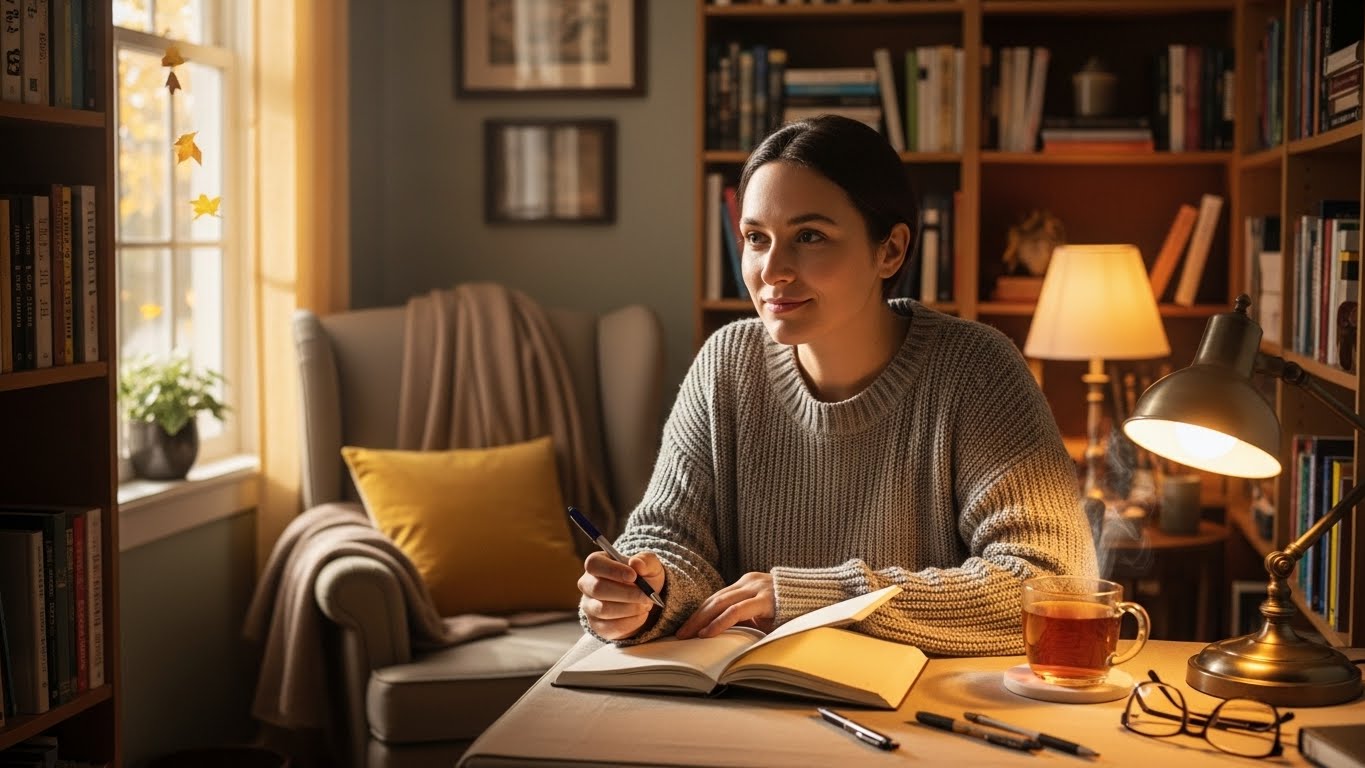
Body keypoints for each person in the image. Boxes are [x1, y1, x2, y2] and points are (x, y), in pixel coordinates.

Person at [578, 114, 1098, 656]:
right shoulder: (726, 363)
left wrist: (812, 598)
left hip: (921, 715)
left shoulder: (976, 371)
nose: (772, 270)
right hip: (749, 706)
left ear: (890, 251)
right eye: (756, 238)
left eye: (810, 236)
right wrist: (643, 593)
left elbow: (1054, 585)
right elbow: (669, 537)